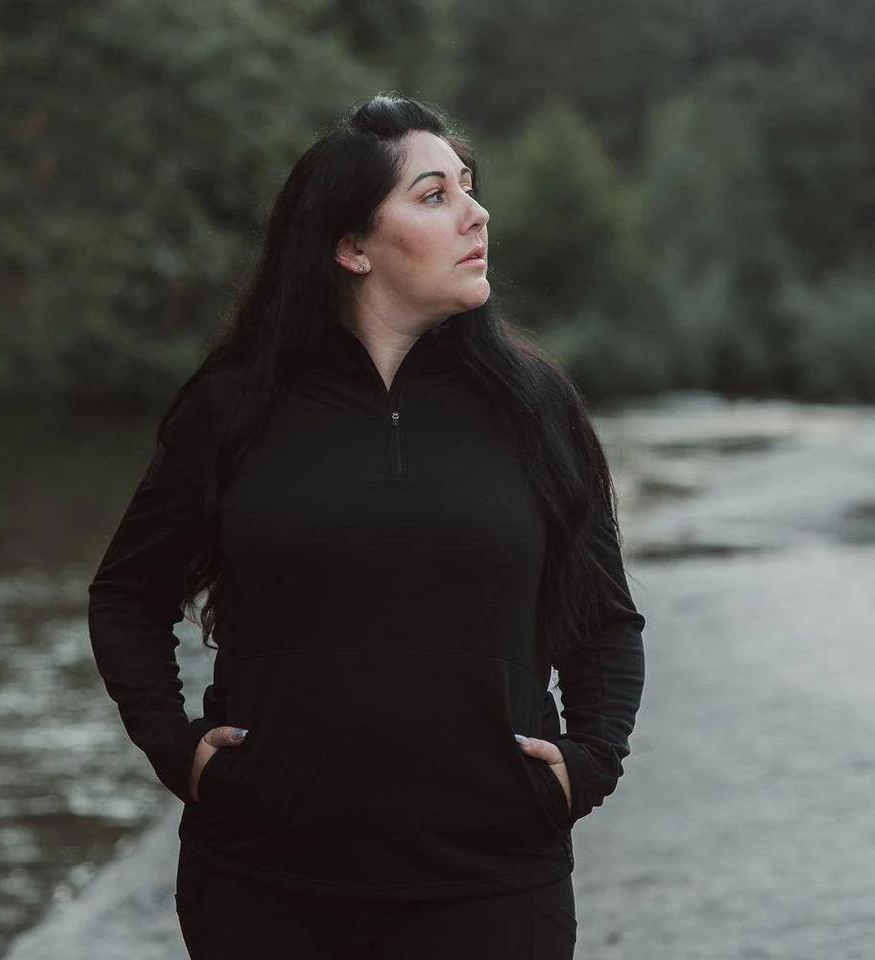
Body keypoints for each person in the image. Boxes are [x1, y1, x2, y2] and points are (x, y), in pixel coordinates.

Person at [87, 93, 646, 960]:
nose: (476, 214)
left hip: (491, 886)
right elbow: (127, 595)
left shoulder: (534, 408)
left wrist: (586, 766)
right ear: (352, 247)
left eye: (469, 187)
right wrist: (177, 749)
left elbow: (603, 621)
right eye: (435, 196)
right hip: (265, 886)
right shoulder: (235, 408)